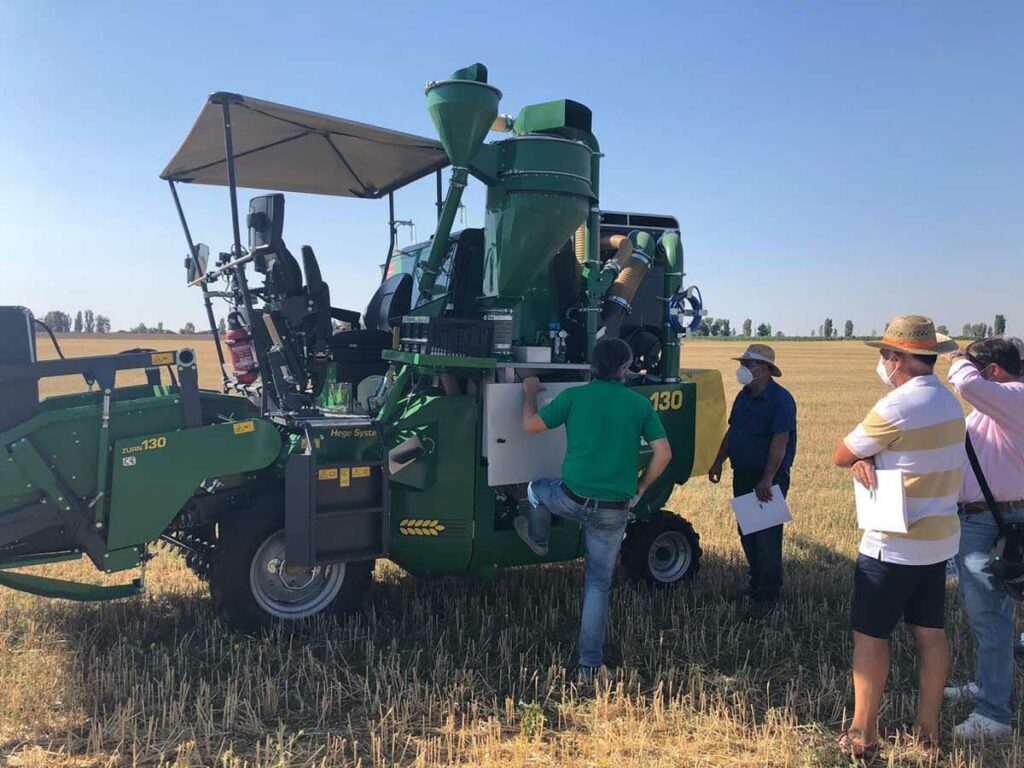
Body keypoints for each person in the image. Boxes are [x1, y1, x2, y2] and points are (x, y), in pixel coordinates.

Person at [832, 315, 964, 758]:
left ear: (904, 359)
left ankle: (862, 734)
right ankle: (928, 734)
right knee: (930, 634)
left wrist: (859, 459)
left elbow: (842, 452)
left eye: (887, 355)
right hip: (939, 542)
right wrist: (865, 459)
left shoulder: (897, 406)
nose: (884, 362)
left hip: (891, 543)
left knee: (871, 637)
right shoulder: (949, 403)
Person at [514, 337, 673, 676]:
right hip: (614, 510)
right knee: (597, 585)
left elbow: (529, 426)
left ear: (592, 366)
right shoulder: (639, 405)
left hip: (571, 499)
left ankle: (539, 539)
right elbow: (664, 453)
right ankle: (589, 667)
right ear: (626, 369)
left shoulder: (574, 397)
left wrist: (529, 391)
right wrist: (641, 489)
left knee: (535, 490)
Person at [940, 338, 1024, 740]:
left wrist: (955, 355)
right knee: (984, 611)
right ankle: (987, 683)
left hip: (998, 520)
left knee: (991, 614)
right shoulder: (991, 410)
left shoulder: (1017, 395)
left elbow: (968, 385)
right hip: (986, 518)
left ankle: (994, 714)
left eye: (974, 366)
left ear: (993, 372)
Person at [708, 343, 797, 619]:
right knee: (747, 532)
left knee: (767, 537)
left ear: (765, 369)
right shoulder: (744, 396)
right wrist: (718, 460)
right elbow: (733, 431)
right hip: (743, 474)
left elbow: (780, 442)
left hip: (766, 478)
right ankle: (756, 584)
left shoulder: (781, 400)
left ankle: (768, 594)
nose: (743, 369)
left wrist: (768, 479)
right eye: (743, 364)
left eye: (749, 365)